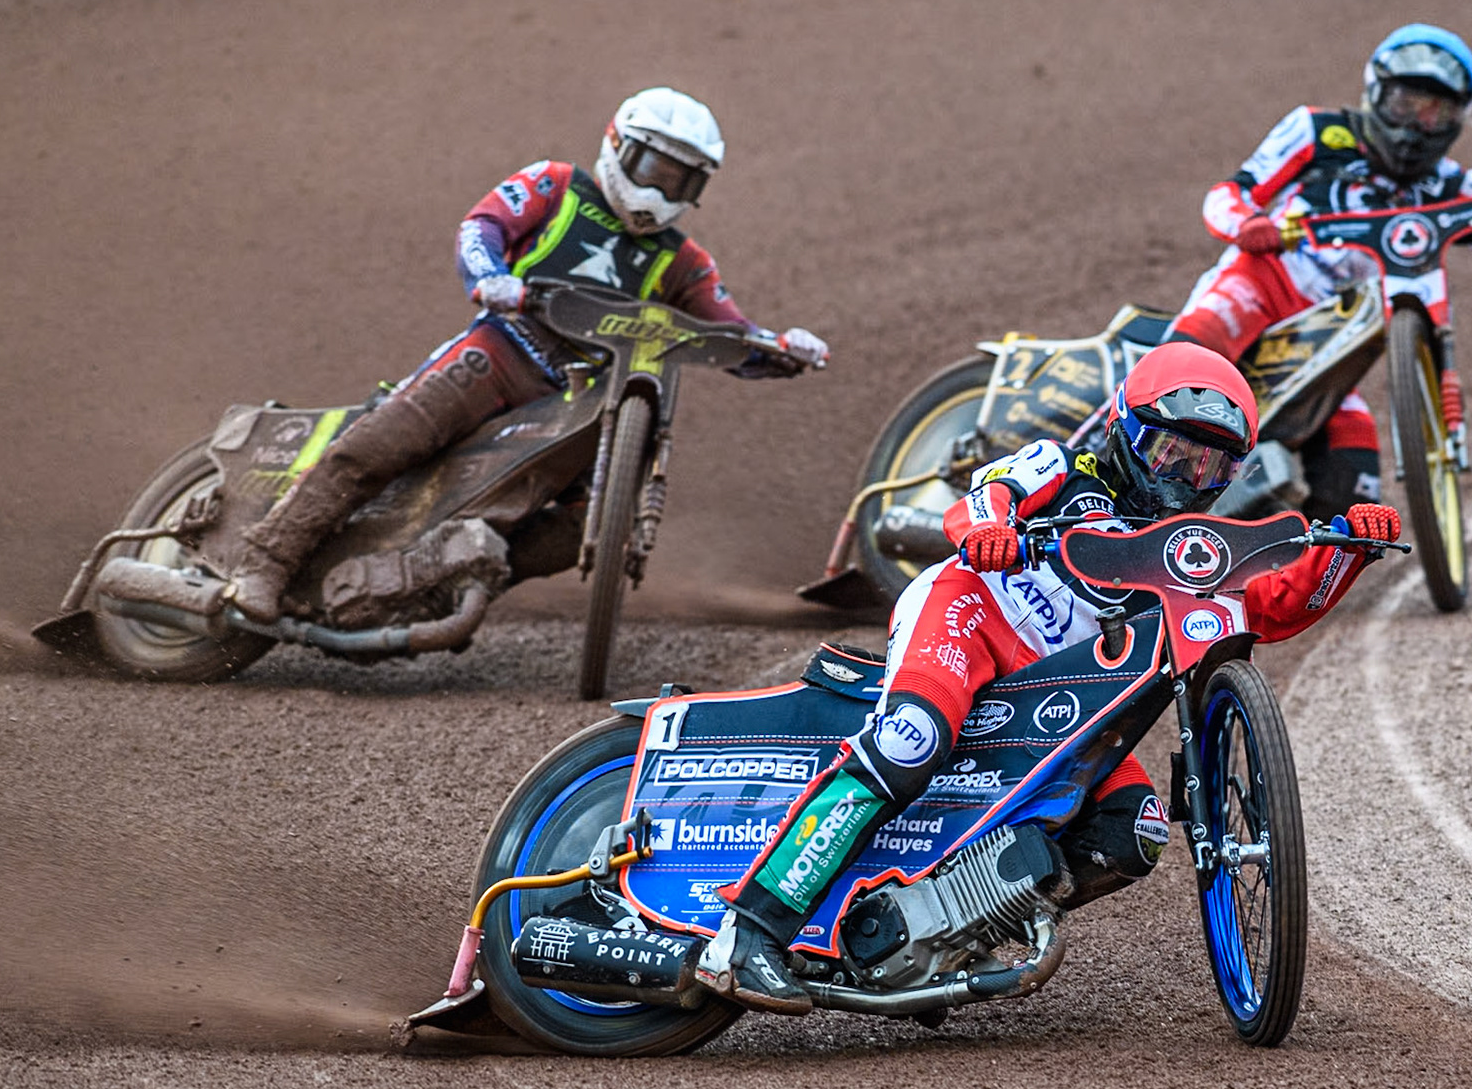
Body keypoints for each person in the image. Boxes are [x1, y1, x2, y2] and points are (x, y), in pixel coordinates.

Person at [694, 341, 1400, 1013]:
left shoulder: (1192, 553)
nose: (1185, 479)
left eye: (1210, 469)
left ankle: (946, 929)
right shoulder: (1061, 466)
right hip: (970, 615)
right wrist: (992, 532)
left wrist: (1348, 553)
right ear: (1125, 429)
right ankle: (747, 934)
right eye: (1171, 453)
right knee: (911, 738)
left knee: (1136, 830)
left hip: (1060, 691)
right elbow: (981, 500)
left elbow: (1269, 606)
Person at [227, 86, 829, 624]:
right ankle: (265, 560)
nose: (661, 191)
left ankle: (438, 581)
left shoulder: (685, 261)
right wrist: (490, 277)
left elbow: (729, 334)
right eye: (654, 168)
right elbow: (482, 226)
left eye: (681, 182)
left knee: (578, 527)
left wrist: (781, 347)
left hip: (582, 400)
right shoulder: (557, 185)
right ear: (619, 147)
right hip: (503, 349)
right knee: (387, 442)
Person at [1166, 23, 1472, 522]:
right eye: (1406, 104)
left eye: (1436, 112)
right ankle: (1111, 473)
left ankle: (1268, 579)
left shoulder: (1452, 183)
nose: (1415, 125)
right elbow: (1227, 195)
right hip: (1259, 287)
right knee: (1187, 363)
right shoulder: (1316, 132)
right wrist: (1250, 224)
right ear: (1376, 93)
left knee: (1355, 483)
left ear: (1457, 122)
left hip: (1332, 344)